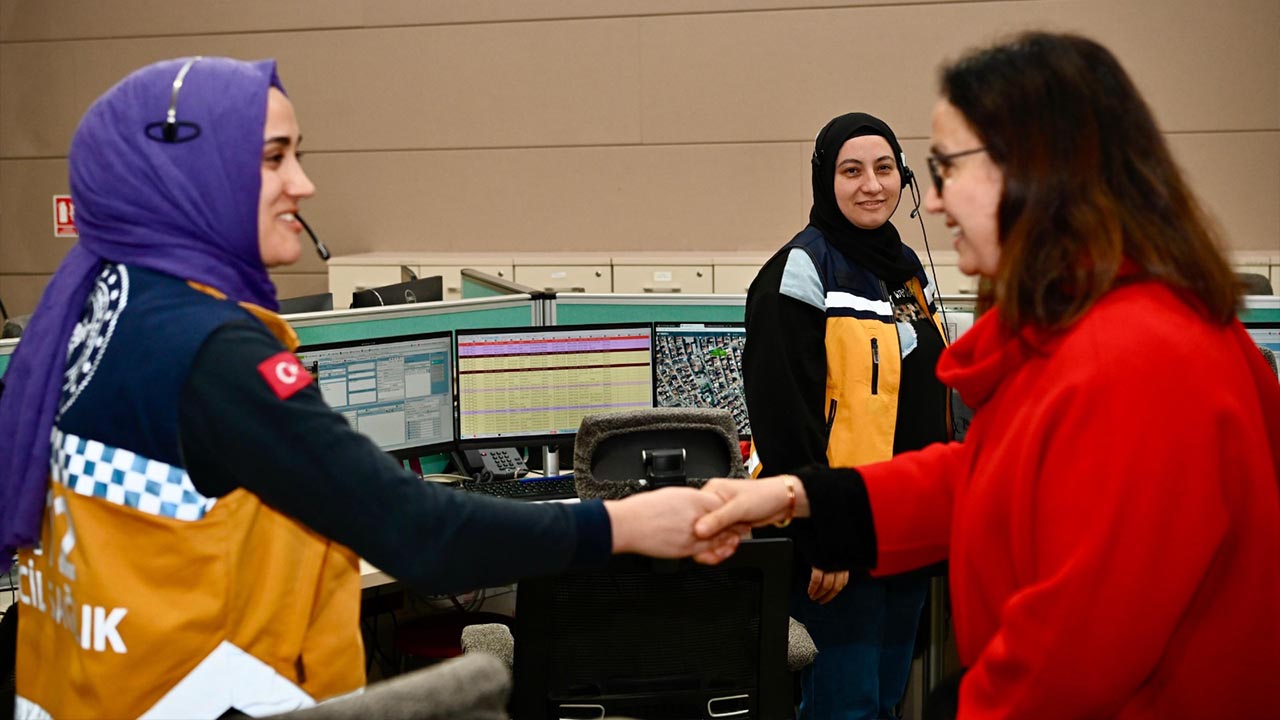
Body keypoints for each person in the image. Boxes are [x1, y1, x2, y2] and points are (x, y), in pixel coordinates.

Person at [0, 57, 737, 719]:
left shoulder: (90, 309)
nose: (304, 184)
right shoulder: (211, 351)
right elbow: (420, 535)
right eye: (272, 159)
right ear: (188, 174)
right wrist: (624, 526)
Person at [695, 32, 1280, 719]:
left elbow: (1072, 663)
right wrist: (806, 498)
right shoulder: (1087, 330)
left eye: (944, 170)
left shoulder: (1140, 362)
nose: (931, 202)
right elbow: (991, 474)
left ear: (1035, 171)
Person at [743, 112, 948, 719]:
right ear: (823, 181)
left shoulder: (905, 268)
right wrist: (822, 536)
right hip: (839, 536)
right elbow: (786, 422)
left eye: (885, 169)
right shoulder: (800, 270)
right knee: (844, 707)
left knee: (884, 700)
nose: (871, 185)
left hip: (904, 528)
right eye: (851, 170)